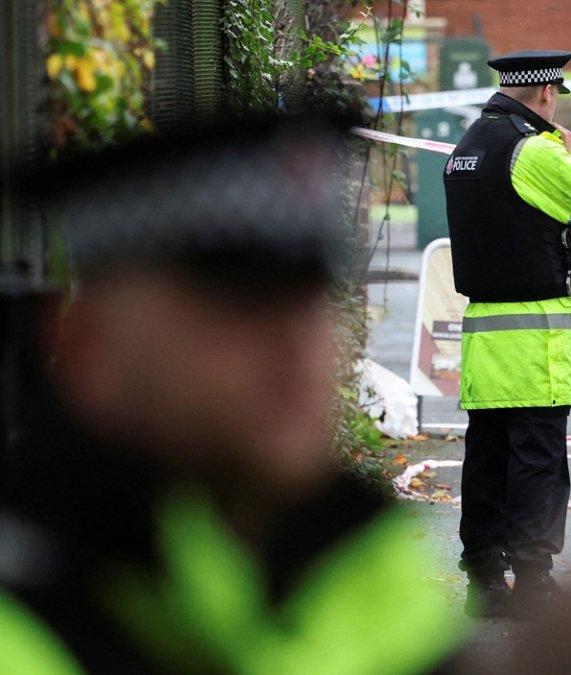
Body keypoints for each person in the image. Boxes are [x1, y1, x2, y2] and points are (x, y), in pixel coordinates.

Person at [1, 117, 464, 673]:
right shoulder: (26, 622)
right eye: (242, 308)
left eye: (308, 303)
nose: (294, 348)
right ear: (83, 343)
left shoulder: (368, 568)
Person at [442, 50, 571, 617]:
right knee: (538, 463)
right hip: (537, 334)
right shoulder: (535, 150)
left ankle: (485, 581)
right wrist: (568, 155)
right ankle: (535, 583)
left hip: (483, 333)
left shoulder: (468, 145)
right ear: (546, 94)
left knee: (487, 458)